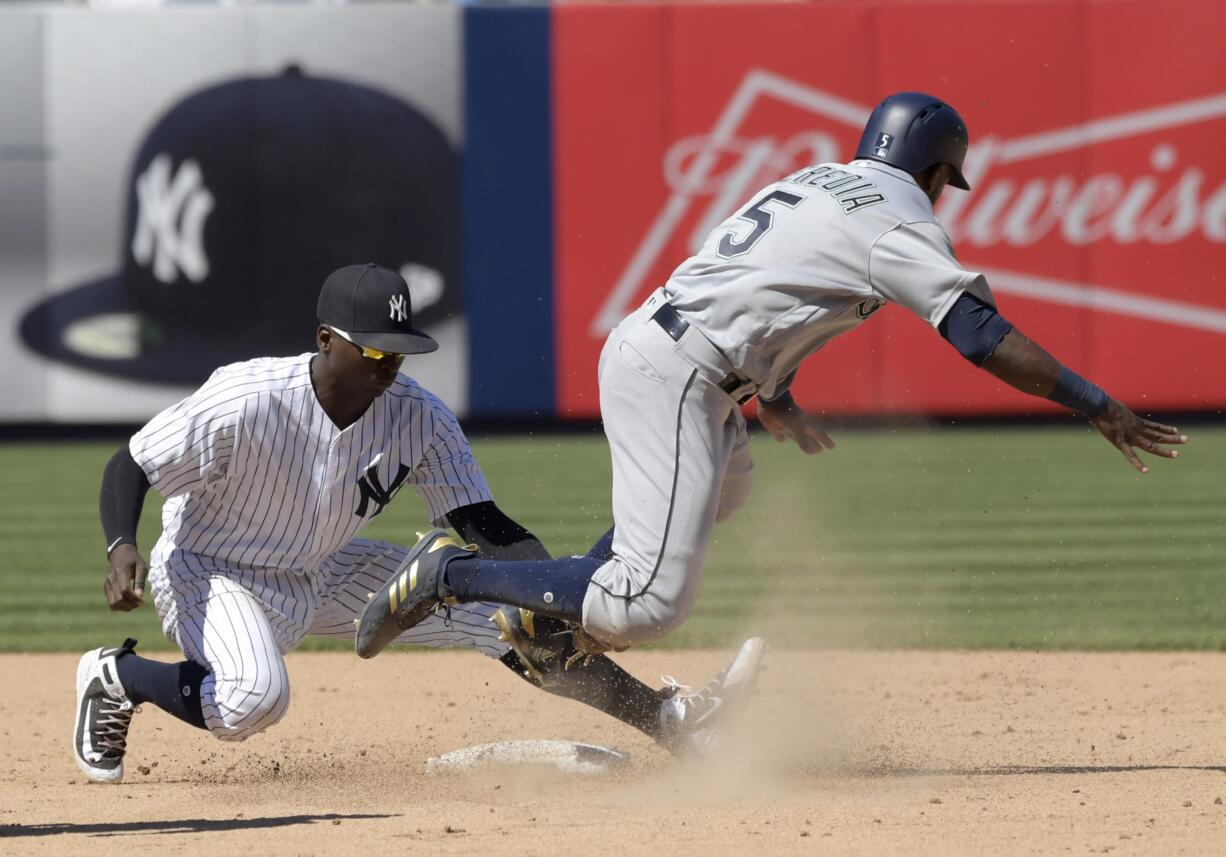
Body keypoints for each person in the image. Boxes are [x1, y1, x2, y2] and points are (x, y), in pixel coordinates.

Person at [354, 92, 1188, 659]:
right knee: (648, 605)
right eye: (948, 179)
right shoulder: (899, 220)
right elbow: (979, 336)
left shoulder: (815, 183)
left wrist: (777, 397)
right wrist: (1097, 403)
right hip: (679, 374)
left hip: (674, 354)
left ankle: (560, 610)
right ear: (938, 171)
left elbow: (765, 293)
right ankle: (452, 575)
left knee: (727, 491)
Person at [74, 263, 765, 785]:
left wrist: (557, 598)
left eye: (397, 352)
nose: (387, 366)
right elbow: (129, 463)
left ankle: (670, 724)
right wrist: (121, 545)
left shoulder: (419, 417)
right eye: (372, 351)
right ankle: (121, 676)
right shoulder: (245, 399)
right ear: (325, 340)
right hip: (210, 569)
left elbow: (484, 524)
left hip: (323, 568)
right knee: (253, 699)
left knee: (508, 621)